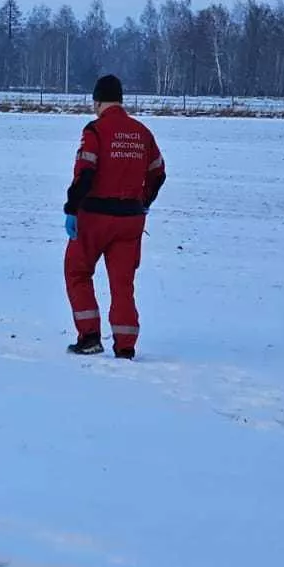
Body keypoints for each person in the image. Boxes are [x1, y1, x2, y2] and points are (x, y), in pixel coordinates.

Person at [62, 74, 167, 358]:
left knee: (77, 271)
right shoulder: (142, 132)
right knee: (122, 284)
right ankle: (125, 347)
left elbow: (86, 172)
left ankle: (90, 337)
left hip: (95, 217)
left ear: (97, 101)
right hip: (131, 219)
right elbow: (158, 173)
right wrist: (142, 202)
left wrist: (72, 208)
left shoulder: (95, 131)